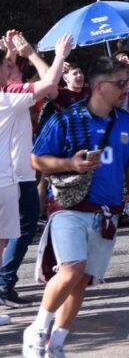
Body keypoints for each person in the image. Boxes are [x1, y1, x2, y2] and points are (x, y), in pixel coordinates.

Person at [24, 56, 129, 358]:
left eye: (127, 82)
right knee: (72, 268)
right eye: (120, 83)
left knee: (83, 278)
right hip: (68, 206)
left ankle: (57, 342)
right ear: (100, 87)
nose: (126, 88)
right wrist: (70, 163)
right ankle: (38, 329)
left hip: (107, 213)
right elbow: (36, 160)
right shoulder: (66, 118)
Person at [0, 33, 72, 317]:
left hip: (16, 174)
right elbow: (50, 83)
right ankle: (4, 283)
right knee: (16, 230)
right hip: (12, 176)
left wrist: (13, 54)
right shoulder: (10, 97)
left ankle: (4, 283)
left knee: (9, 234)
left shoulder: (10, 94)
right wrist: (60, 54)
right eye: (6, 66)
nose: (10, 68)